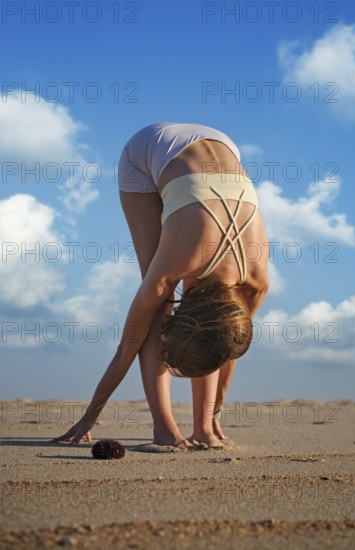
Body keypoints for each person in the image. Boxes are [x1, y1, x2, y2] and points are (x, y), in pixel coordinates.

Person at [54, 122, 269, 450]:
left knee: (217, 333)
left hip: (223, 143)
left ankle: (204, 429)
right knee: (159, 305)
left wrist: (216, 412)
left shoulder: (255, 281)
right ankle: (164, 428)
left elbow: (228, 347)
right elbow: (129, 346)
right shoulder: (176, 267)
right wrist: (91, 413)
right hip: (145, 151)